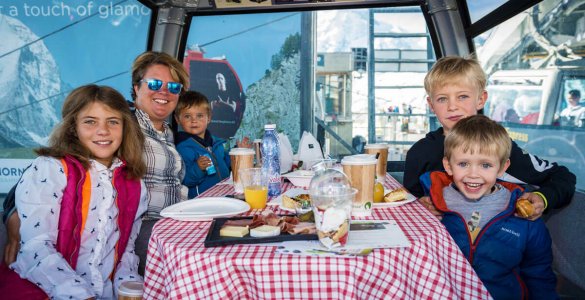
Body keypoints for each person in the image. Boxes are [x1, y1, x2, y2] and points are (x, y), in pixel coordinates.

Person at [0, 85, 147, 299]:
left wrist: (129, 285)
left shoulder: (134, 184)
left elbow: (126, 251)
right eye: (90, 121)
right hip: (46, 287)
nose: (103, 130)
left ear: (125, 128)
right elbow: (36, 247)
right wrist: (79, 295)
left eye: (113, 122)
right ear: (72, 128)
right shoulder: (50, 170)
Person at [404, 56, 576, 220]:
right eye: (442, 99)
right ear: (431, 105)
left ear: (481, 99)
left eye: (462, 96)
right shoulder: (419, 153)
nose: (452, 106)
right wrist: (418, 206)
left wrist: (542, 197)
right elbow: (406, 201)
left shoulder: (500, 147)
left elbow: (562, 177)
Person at [419, 115, 557, 299]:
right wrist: (418, 212)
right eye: (463, 164)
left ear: (501, 168)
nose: (473, 174)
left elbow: (538, 273)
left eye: (485, 165)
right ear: (448, 165)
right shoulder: (431, 206)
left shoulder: (523, 215)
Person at [174, 91, 232, 197]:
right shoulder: (182, 148)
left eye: (199, 116)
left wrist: (238, 153)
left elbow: (226, 165)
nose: (194, 121)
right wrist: (198, 168)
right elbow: (184, 180)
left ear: (208, 118)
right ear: (178, 119)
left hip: (224, 197)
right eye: (187, 116)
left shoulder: (217, 143)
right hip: (202, 203)